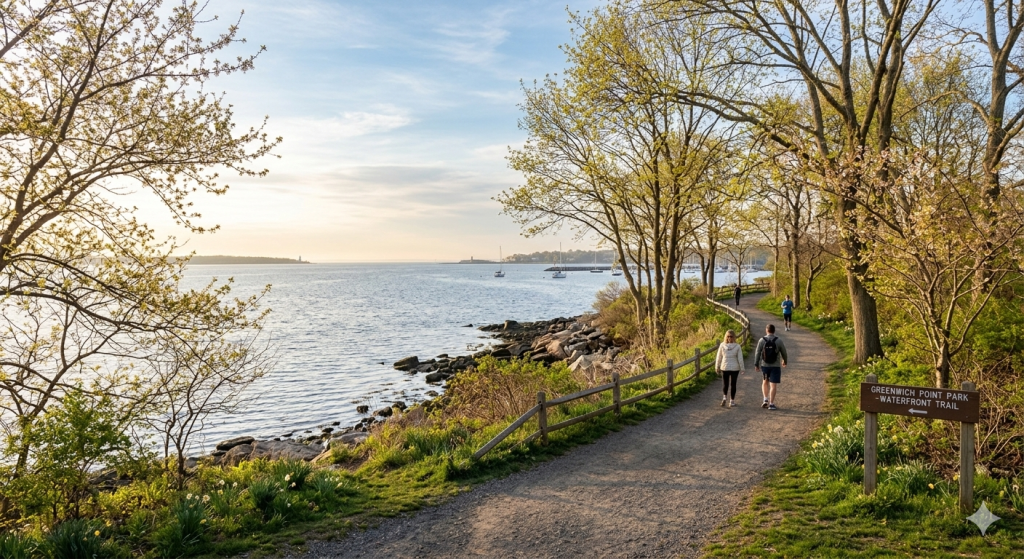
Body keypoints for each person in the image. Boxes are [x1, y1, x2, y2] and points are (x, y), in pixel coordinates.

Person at [754, 324, 788, 410]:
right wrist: (785, 361)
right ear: (774, 331)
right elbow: (784, 352)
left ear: (766, 330)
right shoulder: (778, 340)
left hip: (765, 365)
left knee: (765, 382)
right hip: (775, 366)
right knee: (773, 385)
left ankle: (765, 399)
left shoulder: (762, 340)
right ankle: (771, 404)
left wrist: (756, 364)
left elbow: (757, 353)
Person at [715, 329, 745, 407]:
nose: (729, 338)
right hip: (734, 368)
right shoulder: (737, 346)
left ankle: (725, 397)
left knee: (725, 383)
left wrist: (717, 366)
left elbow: (719, 357)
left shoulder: (722, 345)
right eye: (728, 336)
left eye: (730, 336)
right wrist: (742, 368)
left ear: (733, 337)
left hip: (725, 367)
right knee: (733, 384)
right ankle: (731, 401)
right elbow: (740, 358)